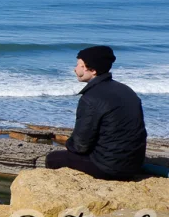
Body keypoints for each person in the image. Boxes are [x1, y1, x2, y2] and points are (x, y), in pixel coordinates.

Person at [45, 46, 147, 180]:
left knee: (53, 159)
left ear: (92, 70)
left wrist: (69, 144)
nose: (75, 69)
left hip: (109, 168)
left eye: (79, 65)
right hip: (134, 164)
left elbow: (80, 146)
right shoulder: (126, 90)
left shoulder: (91, 98)